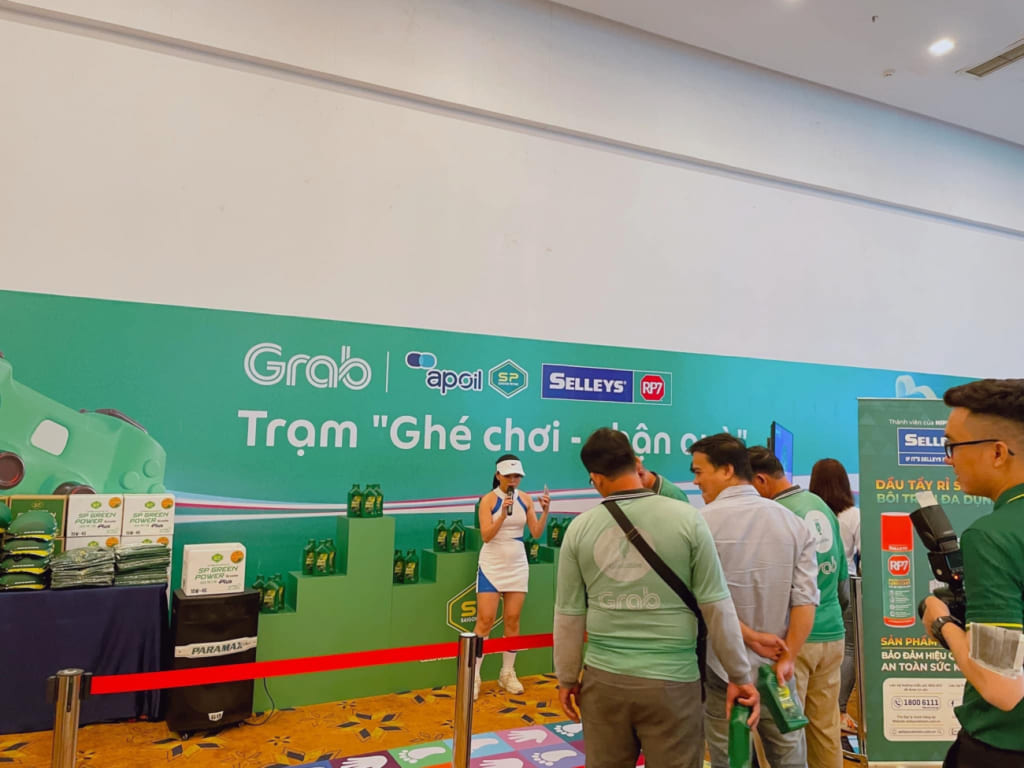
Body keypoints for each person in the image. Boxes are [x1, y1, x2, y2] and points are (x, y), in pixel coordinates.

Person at [554, 428, 758, 768]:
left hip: (604, 680)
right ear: (636, 463)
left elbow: (568, 614)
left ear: (596, 478)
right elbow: (716, 606)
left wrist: (566, 678)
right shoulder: (688, 519)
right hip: (674, 682)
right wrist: (739, 675)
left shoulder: (579, 529)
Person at [689, 433, 818, 768]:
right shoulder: (795, 524)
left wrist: (747, 637)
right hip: (778, 668)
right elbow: (806, 600)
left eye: (699, 471)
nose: (696, 481)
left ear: (727, 470)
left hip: (722, 667)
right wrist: (788, 657)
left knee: (731, 757)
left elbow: (703, 601)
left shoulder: (700, 524)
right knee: (790, 756)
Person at [920, 379, 1024, 766]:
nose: (949, 460)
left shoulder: (992, 536)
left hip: (1004, 745)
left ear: (997, 452)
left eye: (953, 446)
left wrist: (942, 623)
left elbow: (1002, 685)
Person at [750, 446, 849, 768]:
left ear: (760, 480)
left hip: (791, 641)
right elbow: (842, 580)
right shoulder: (819, 504)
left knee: (780, 739)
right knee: (825, 731)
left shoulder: (775, 515)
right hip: (831, 633)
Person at [473, 453, 550, 698]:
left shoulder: (525, 499)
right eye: (508, 476)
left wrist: (545, 511)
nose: (513, 480)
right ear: (498, 475)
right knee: (485, 620)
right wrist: (502, 514)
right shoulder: (488, 500)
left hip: (517, 564)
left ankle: (507, 673)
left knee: (513, 620)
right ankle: (473, 676)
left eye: (517, 476)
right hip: (491, 564)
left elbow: (535, 532)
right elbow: (486, 535)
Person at [809, 457, 861, 734]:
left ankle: (816, 710)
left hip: (814, 584)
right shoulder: (853, 515)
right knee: (848, 648)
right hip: (847, 584)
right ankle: (838, 711)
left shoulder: (808, 513)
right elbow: (864, 556)